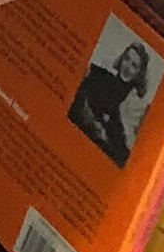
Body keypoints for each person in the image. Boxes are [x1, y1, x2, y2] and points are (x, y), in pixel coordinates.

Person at [67, 34, 156, 164]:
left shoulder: (131, 104)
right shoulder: (99, 75)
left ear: (139, 73)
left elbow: (119, 142)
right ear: (121, 60)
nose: (127, 67)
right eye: (127, 59)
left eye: (134, 65)